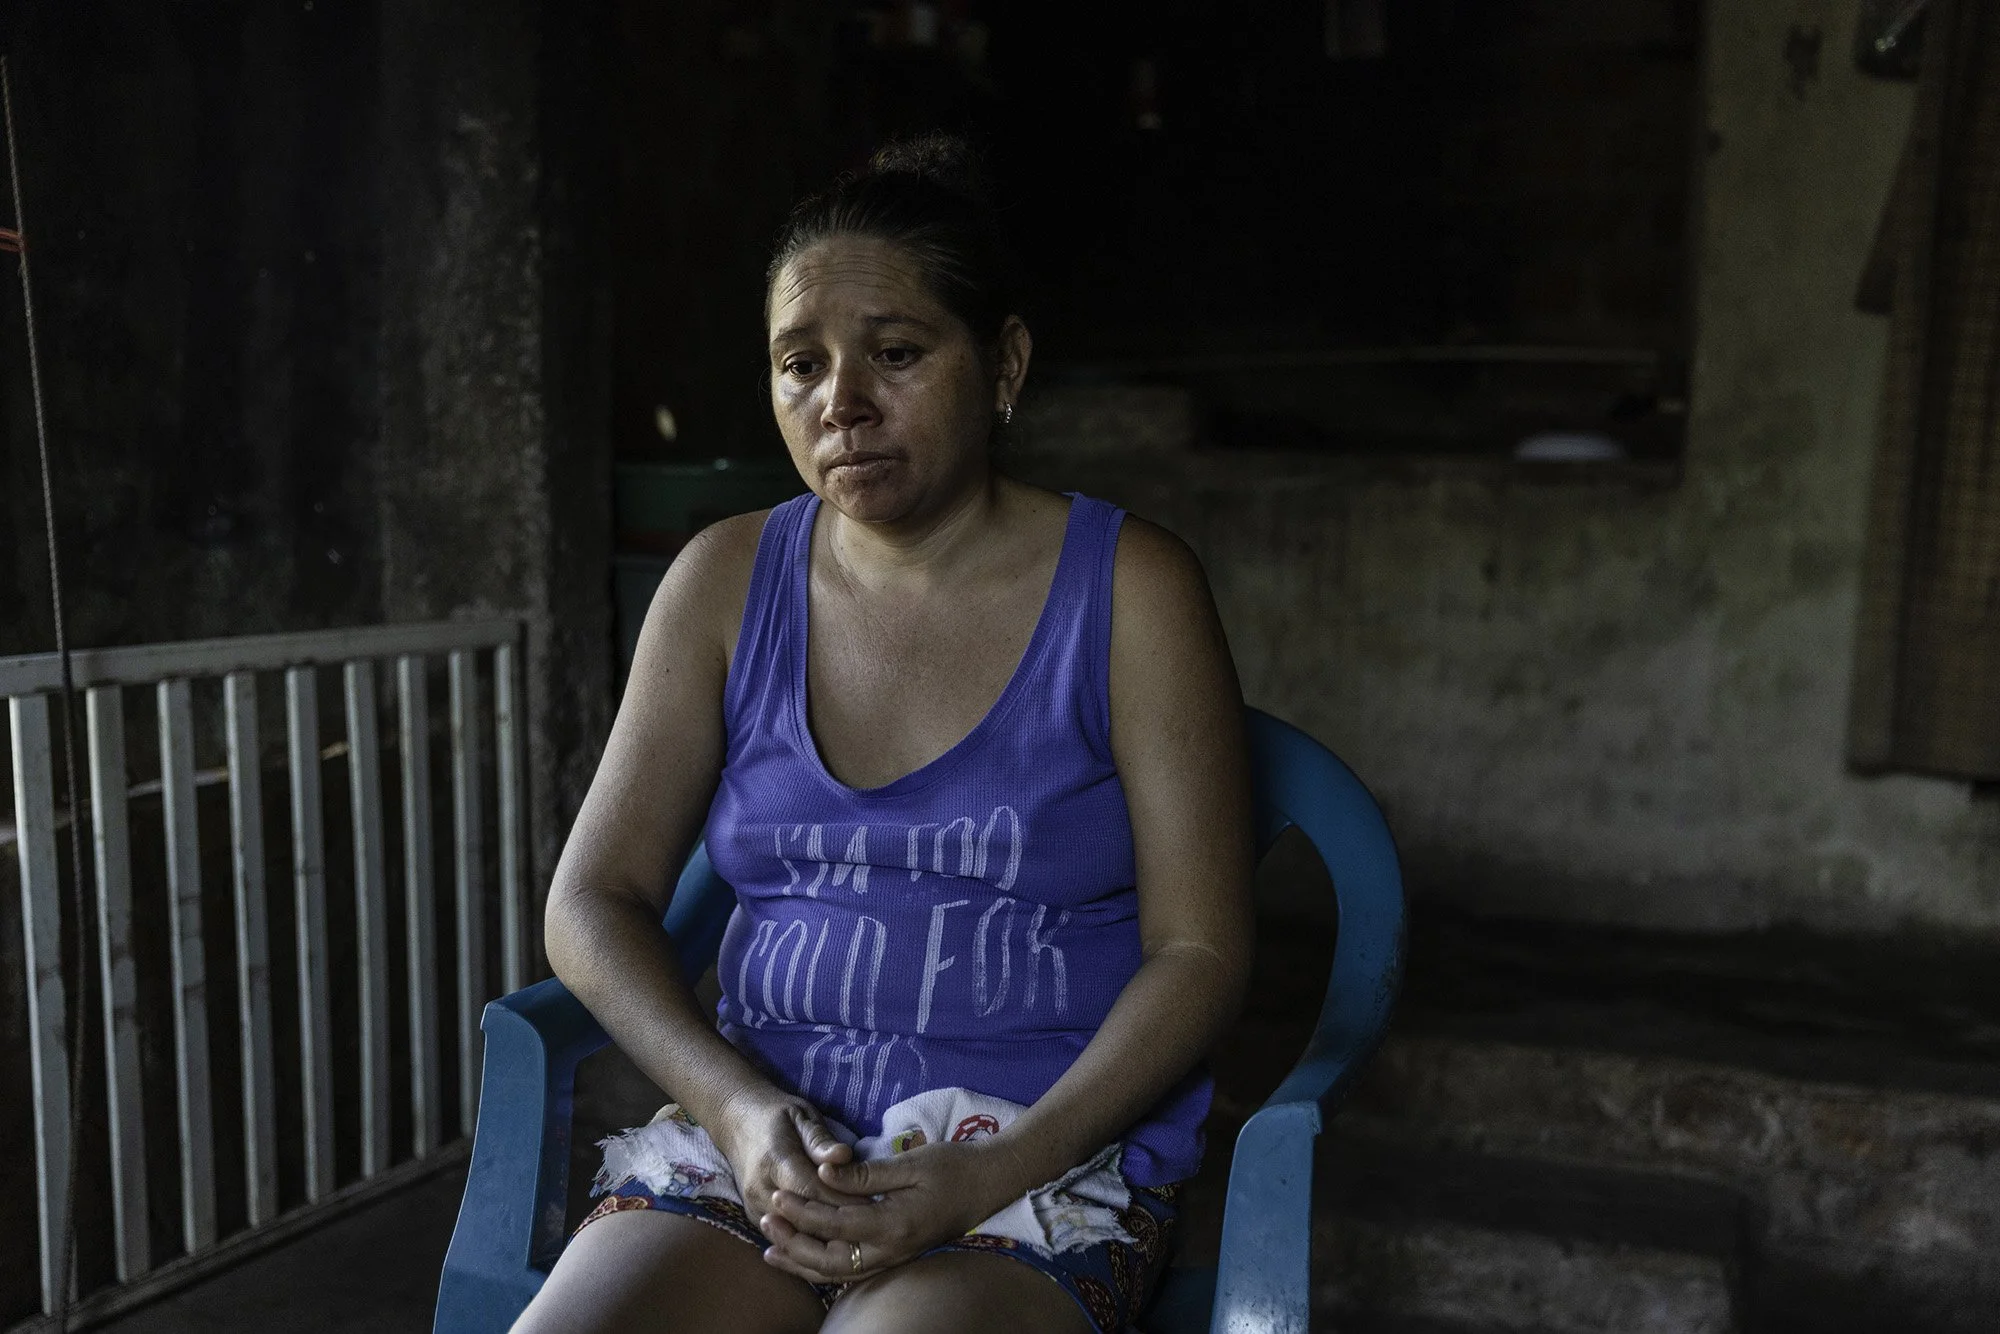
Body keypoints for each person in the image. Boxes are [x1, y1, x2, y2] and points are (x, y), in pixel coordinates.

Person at [512, 133, 1253, 1334]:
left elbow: (1199, 948)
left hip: (1030, 1160)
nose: (840, 404)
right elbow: (590, 900)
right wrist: (733, 1107)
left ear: (1004, 362)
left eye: (895, 354)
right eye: (799, 363)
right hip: (771, 1152)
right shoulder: (721, 583)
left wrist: (992, 1167)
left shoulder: (1131, 589)